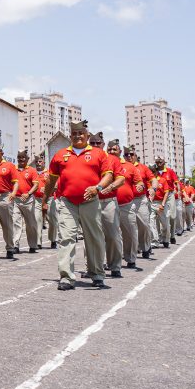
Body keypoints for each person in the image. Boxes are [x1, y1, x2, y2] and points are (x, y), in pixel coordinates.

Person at [42, 120, 115, 290]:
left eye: (81, 133)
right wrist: (45, 200)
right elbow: (51, 180)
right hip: (67, 202)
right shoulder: (60, 155)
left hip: (90, 202)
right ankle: (66, 277)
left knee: (94, 237)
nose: (78, 136)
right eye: (74, 134)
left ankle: (97, 274)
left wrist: (97, 188)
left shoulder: (98, 154)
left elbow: (108, 176)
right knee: (66, 238)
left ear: (87, 136)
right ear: (70, 136)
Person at [91, 134, 124, 278]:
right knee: (91, 236)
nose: (95, 145)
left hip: (108, 201)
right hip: (90, 202)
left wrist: (110, 187)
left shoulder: (112, 159)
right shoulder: (85, 157)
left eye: (98, 143)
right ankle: (92, 266)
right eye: (92, 143)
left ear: (103, 144)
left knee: (112, 235)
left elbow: (121, 179)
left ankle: (115, 266)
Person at [109, 140, 141, 271]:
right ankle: (110, 261)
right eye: (109, 149)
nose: (111, 152)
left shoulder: (129, 166)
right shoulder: (104, 164)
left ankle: (131, 258)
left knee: (130, 233)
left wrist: (140, 186)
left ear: (120, 152)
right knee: (110, 235)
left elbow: (138, 182)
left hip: (126, 205)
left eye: (114, 149)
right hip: (108, 204)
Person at [14, 149, 42, 253]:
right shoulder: (13, 169)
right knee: (15, 222)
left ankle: (33, 245)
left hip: (28, 200)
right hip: (16, 200)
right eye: (19, 157)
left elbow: (36, 185)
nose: (21, 159)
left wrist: (28, 194)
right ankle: (15, 245)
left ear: (27, 159)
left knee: (31, 224)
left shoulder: (32, 170)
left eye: (23, 157)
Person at [152, 157, 176, 248]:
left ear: (164, 162)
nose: (158, 163)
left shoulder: (169, 171)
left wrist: (178, 191)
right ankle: (156, 239)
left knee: (171, 217)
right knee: (153, 221)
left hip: (168, 195)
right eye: (157, 162)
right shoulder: (153, 175)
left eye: (160, 161)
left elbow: (175, 183)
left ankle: (170, 236)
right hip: (154, 201)